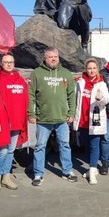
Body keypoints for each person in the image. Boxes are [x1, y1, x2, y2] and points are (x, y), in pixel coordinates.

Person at [28, 47, 78, 186]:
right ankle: (38, 174)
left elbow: (71, 95)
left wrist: (72, 113)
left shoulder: (66, 73)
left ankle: (67, 171)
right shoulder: (36, 73)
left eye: (55, 56)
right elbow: (30, 95)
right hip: (43, 119)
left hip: (62, 118)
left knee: (65, 145)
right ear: (45, 58)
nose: (53, 59)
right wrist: (31, 114)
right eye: (50, 57)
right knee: (39, 146)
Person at [0, 52, 29, 191]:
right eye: (6, 62)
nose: (9, 64)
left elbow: (25, 99)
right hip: (2, 121)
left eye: (11, 62)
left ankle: (6, 176)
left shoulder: (20, 79)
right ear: (1, 64)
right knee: (3, 151)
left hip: (17, 121)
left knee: (11, 150)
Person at [73, 58, 109, 184]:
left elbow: (106, 100)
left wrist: (100, 98)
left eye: (94, 68)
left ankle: (93, 171)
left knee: (95, 146)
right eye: (89, 68)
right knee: (87, 146)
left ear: (97, 69)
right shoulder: (80, 82)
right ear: (86, 69)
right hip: (83, 120)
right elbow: (75, 98)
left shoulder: (101, 83)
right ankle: (91, 168)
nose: (92, 70)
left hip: (95, 120)